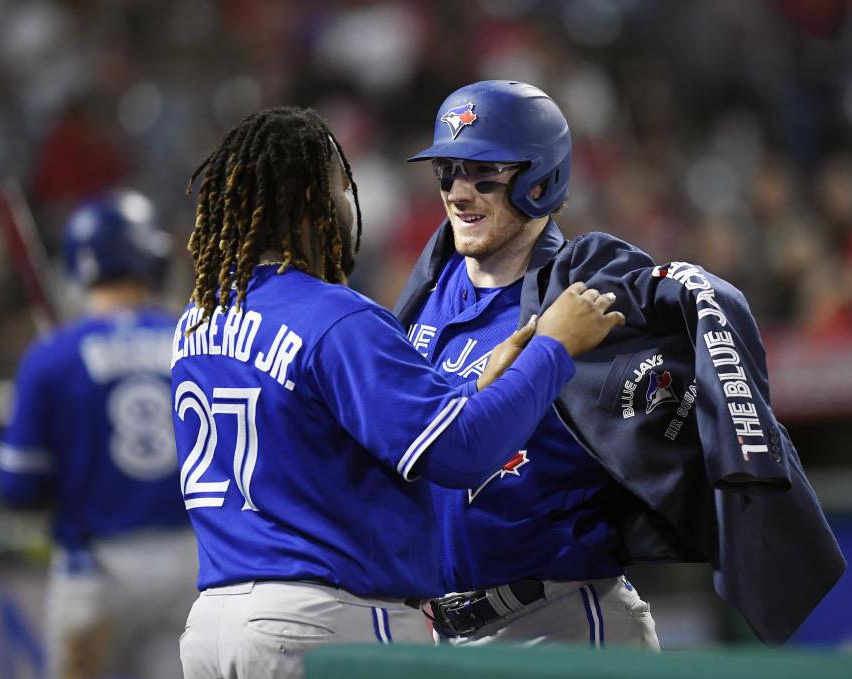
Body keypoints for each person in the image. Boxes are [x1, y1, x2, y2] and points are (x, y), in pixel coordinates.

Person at [171, 106, 625, 678]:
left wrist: (482, 380)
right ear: (313, 201)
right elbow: (458, 452)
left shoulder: (197, 322)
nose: (347, 201)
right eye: (340, 186)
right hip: (321, 622)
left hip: (214, 623)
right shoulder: (335, 318)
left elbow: (326, 432)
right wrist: (552, 348)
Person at [394, 80, 846, 647]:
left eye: (484, 171)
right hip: (442, 636)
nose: (459, 192)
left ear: (540, 178)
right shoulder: (425, 295)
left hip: (558, 623)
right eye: (447, 170)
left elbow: (695, 317)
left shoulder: (583, 295)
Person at [0, 189, 199, 679]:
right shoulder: (192, 339)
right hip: (189, 563)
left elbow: (18, 486)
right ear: (146, 256)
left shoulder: (53, 356)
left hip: (97, 569)